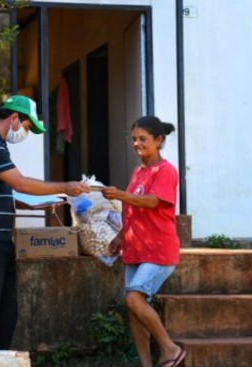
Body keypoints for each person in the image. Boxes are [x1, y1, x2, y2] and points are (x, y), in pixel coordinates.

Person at [0, 95, 90, 354]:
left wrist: (36, 204)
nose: (25, 133)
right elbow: (19, 182)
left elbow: (3, 192)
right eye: (27, 127)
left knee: (6, 316)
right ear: (14, 118)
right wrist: (65, 187)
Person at [101, 115, 186, 367]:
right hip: (136, 249)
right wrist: (119, 237)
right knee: (134, 311)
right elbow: (134, 211)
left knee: (133, 299)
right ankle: (146, 364)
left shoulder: (166, 170)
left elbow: (152, 201)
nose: (137, 143)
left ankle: (170, 349)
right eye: (134, 139)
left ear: (159, 140)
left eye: (143, 139)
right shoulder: (138, 171)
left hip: (158, 251)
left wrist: (120, 195)